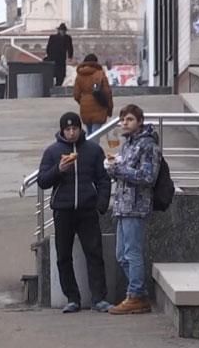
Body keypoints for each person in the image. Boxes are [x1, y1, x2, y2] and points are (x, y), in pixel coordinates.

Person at [37, 112, 113, 313]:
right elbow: (43, 180)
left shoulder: (93, 150)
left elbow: (103, 179)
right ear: (62, 131)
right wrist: (59, 169)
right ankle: (72, 298)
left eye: (74, 129)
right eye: (67, 129)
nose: (71, 133)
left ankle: (99, 298)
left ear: (80, 129)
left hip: (87, 209)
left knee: (94, 253)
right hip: (63, 209)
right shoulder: (53, 152)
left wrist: (101, 203)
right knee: (63, 255)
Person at [104, 104, 161, 315]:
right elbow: (124, 172)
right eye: (122, 120)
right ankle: (139, 293)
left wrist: (120, 169)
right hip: (122, 205)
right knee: (121, 255)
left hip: (136, 206)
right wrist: (113, 169)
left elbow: (148, 177)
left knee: (132, 253)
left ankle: (136, 295)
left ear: (139, 122)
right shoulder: (127, 144)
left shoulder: (148, 145)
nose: (124, 123)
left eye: (128, 119)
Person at [73, 54, 114, 135]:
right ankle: (92, 147)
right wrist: (109, 108)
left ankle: (88, 147)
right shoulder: (100, 74)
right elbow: (107, 92)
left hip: (85, 105)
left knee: (89, 133)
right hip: (99, 105)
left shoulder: (79, 75)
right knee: (96, 134)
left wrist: (83, 101)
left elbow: (76, 94)